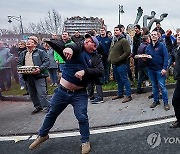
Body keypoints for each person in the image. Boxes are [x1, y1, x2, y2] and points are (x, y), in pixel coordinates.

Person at [29, 34, 104, 154]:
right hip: (61, 92)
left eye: (90, 41)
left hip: (79, 94)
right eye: (86, 40)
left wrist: (85, 71)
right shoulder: (77, 48)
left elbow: (100, 71)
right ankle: (42, 135)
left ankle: (85, 141)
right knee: (51, 113)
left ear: (94, 47)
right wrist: (69, 48)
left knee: (82, 117)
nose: (86, 41)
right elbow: (73, 45)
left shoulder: (96, 58)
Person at [18, 36, 50, 115]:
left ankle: (47, 107)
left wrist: (40, 68)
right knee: (32, 93)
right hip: (28, 76)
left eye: (31, 42)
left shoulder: (40, 52)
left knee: (41, 92)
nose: (28, 43)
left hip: (39, 75)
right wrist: (19, 68)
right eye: (27, 41)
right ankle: (38, 107)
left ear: (35, 44)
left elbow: (46, 61)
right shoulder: (23, 53)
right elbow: (19, 63)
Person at [143, 31, 169, 111]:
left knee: (162, 87)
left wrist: (164, 68)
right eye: (152, 35)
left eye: (155, 35)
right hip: (151, 70)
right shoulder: (148, 47)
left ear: (158, 36)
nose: (153, 36)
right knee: (154, 86)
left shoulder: (162, 46)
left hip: (160, 70)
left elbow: (166, 57)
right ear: (150, 37)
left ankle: (166, 103)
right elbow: (147, 59)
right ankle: (156, 101)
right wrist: (144, 59)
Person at [108, 25, 132, 103]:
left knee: (124, 79)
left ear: (121, 31)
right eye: (114, 30)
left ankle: (128, 95)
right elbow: (111, 51)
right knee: (118, 80)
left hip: (122, 64)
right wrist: (110, 58)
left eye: (117, 30)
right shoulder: (114, 41)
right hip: (115, 64)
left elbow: (127, 52)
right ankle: (120, 93)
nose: (115, 31)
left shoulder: (124, 40)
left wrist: (119, 59)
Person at [170, 31, 180, 128]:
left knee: (176, 100)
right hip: (179, 79)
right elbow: (171, 49)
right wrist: (169, 37)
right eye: (177, 35)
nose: (178, 37)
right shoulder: (177, 48)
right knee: (176, 101)